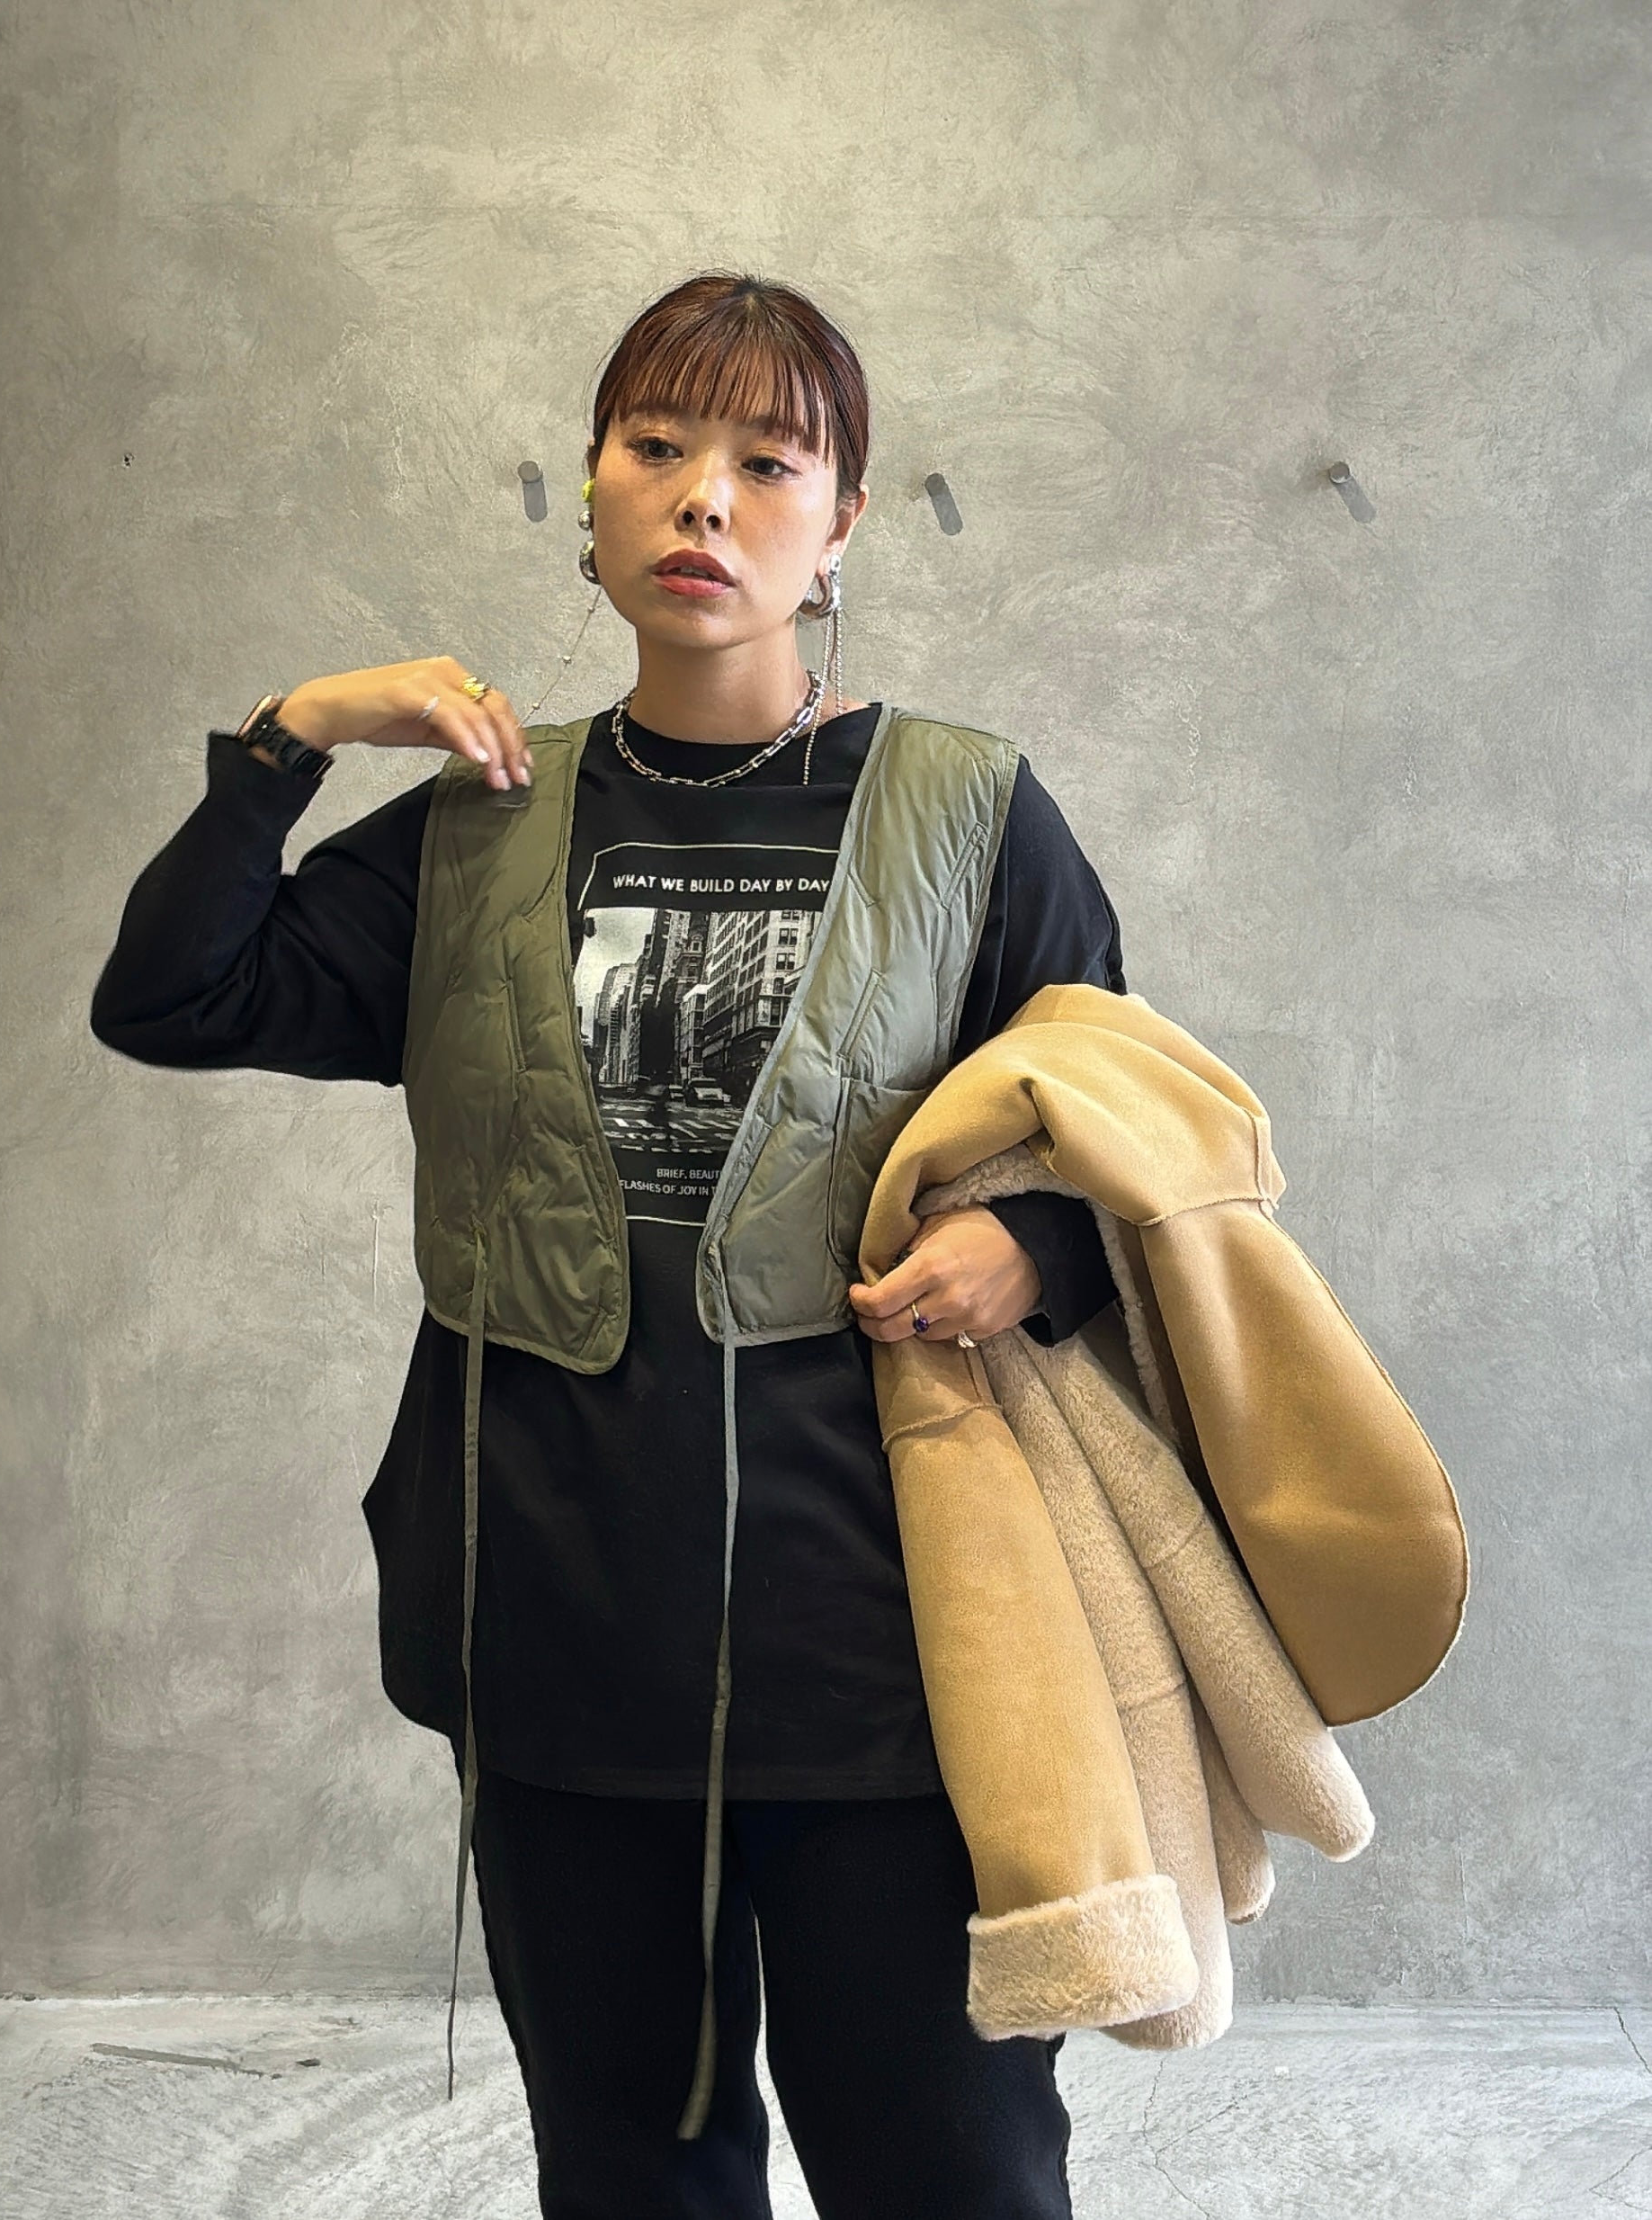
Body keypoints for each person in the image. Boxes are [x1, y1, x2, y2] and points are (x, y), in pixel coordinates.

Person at [90, 269, 1132, 2218]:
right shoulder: (474, 830)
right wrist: (292, 736)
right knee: (632, 2173)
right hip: (558, 1625)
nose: (702, 497)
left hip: (888, 1646)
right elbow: (169, 997)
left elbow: (1118, 1130)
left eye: (767, 462)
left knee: (954, 2169)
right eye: (655, 446)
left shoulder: (966, 809)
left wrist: (1036, 1257)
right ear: (591, 492)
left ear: (840, 523)